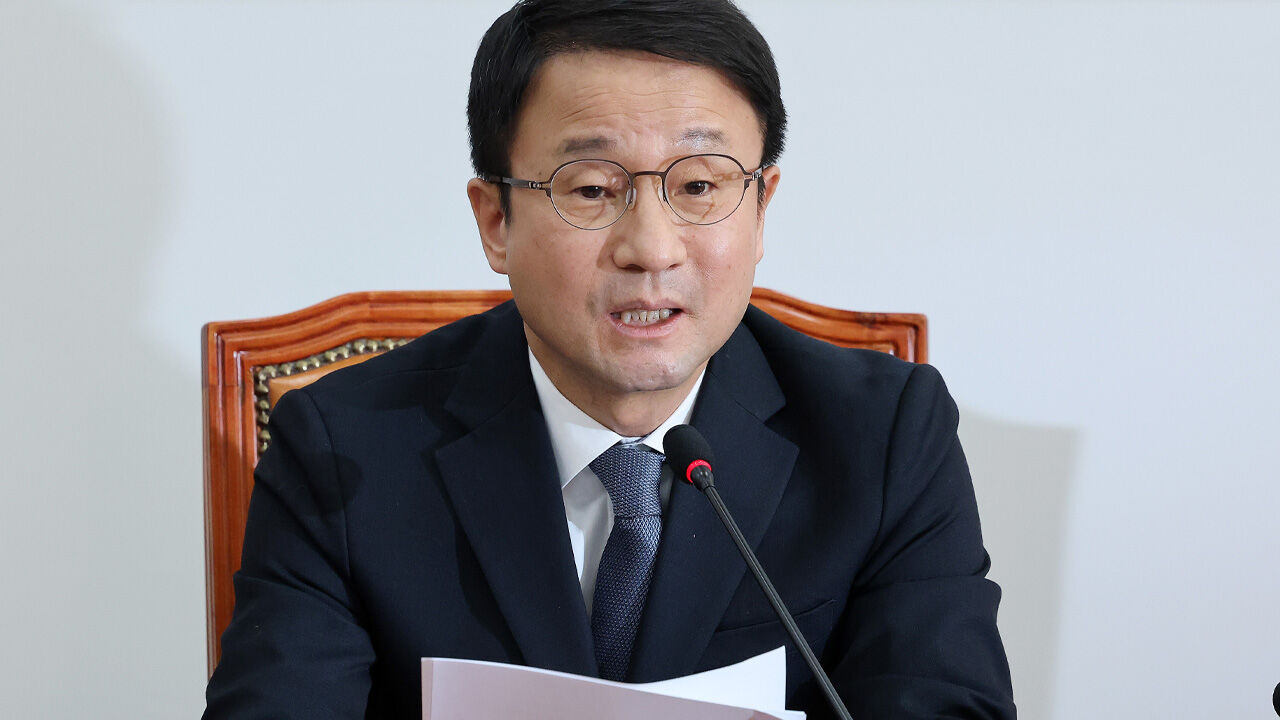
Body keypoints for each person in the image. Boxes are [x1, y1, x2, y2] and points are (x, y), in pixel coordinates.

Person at [203, 1, 1016, 717]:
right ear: (495, 222)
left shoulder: (883, 437)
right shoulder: (344, 451)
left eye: (699, 187)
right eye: (592, 188)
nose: (651, 248)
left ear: (761, 208)